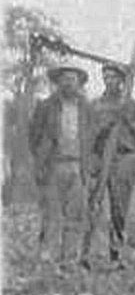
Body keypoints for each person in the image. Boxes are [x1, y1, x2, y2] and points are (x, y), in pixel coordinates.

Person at [81, 62, 135, 262]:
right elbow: (88, 135)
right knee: (93, 203)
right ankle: (84, 252)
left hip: (124, 158)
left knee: (119, 207)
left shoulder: (131, 104)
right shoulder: (96, 105)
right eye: (106, 77)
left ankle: (116, 252)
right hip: (100, 158)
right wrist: (103, 128)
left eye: (113, 77)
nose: (109, 81)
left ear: (122, 81)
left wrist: (130, 123)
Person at [27, 64, 89, 264]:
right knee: (51, 212)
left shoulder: (86, 108)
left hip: (78, 166)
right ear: (58, 82)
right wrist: (41, 160)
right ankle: (47, 256)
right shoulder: (46, 106)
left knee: (74, 214)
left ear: (79, 83)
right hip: (54, 165)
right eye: (65, 78)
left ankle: (69, 259)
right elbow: (34, 137)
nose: (69, 82)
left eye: (73, 79)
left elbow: (92, 137)